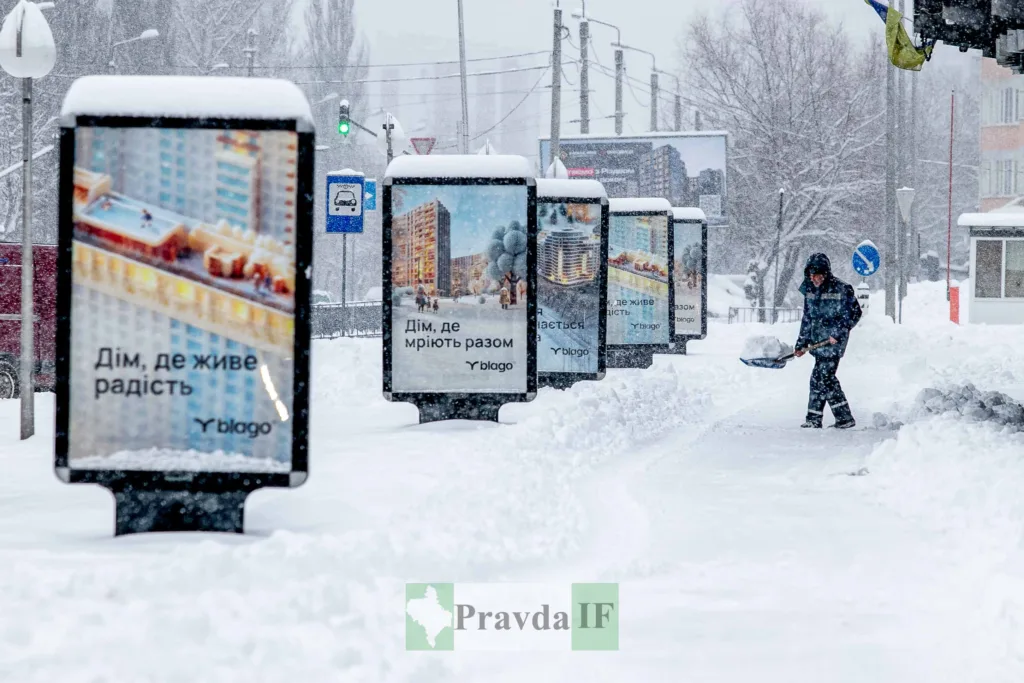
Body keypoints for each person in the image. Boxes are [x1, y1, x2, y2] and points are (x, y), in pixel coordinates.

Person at [793, 253, 862, 429]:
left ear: (825, 273)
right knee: (820, 379)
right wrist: (801, 343)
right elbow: (807, 318)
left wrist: (838, 333)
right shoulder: (809, 290)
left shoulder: (842, 289)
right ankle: (820, 418)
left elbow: (854, 313)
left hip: (833, 342)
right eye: (811, 275)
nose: (813, 279)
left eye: (817, 275)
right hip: (818, 341)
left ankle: (837, 418)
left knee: (824, 377)